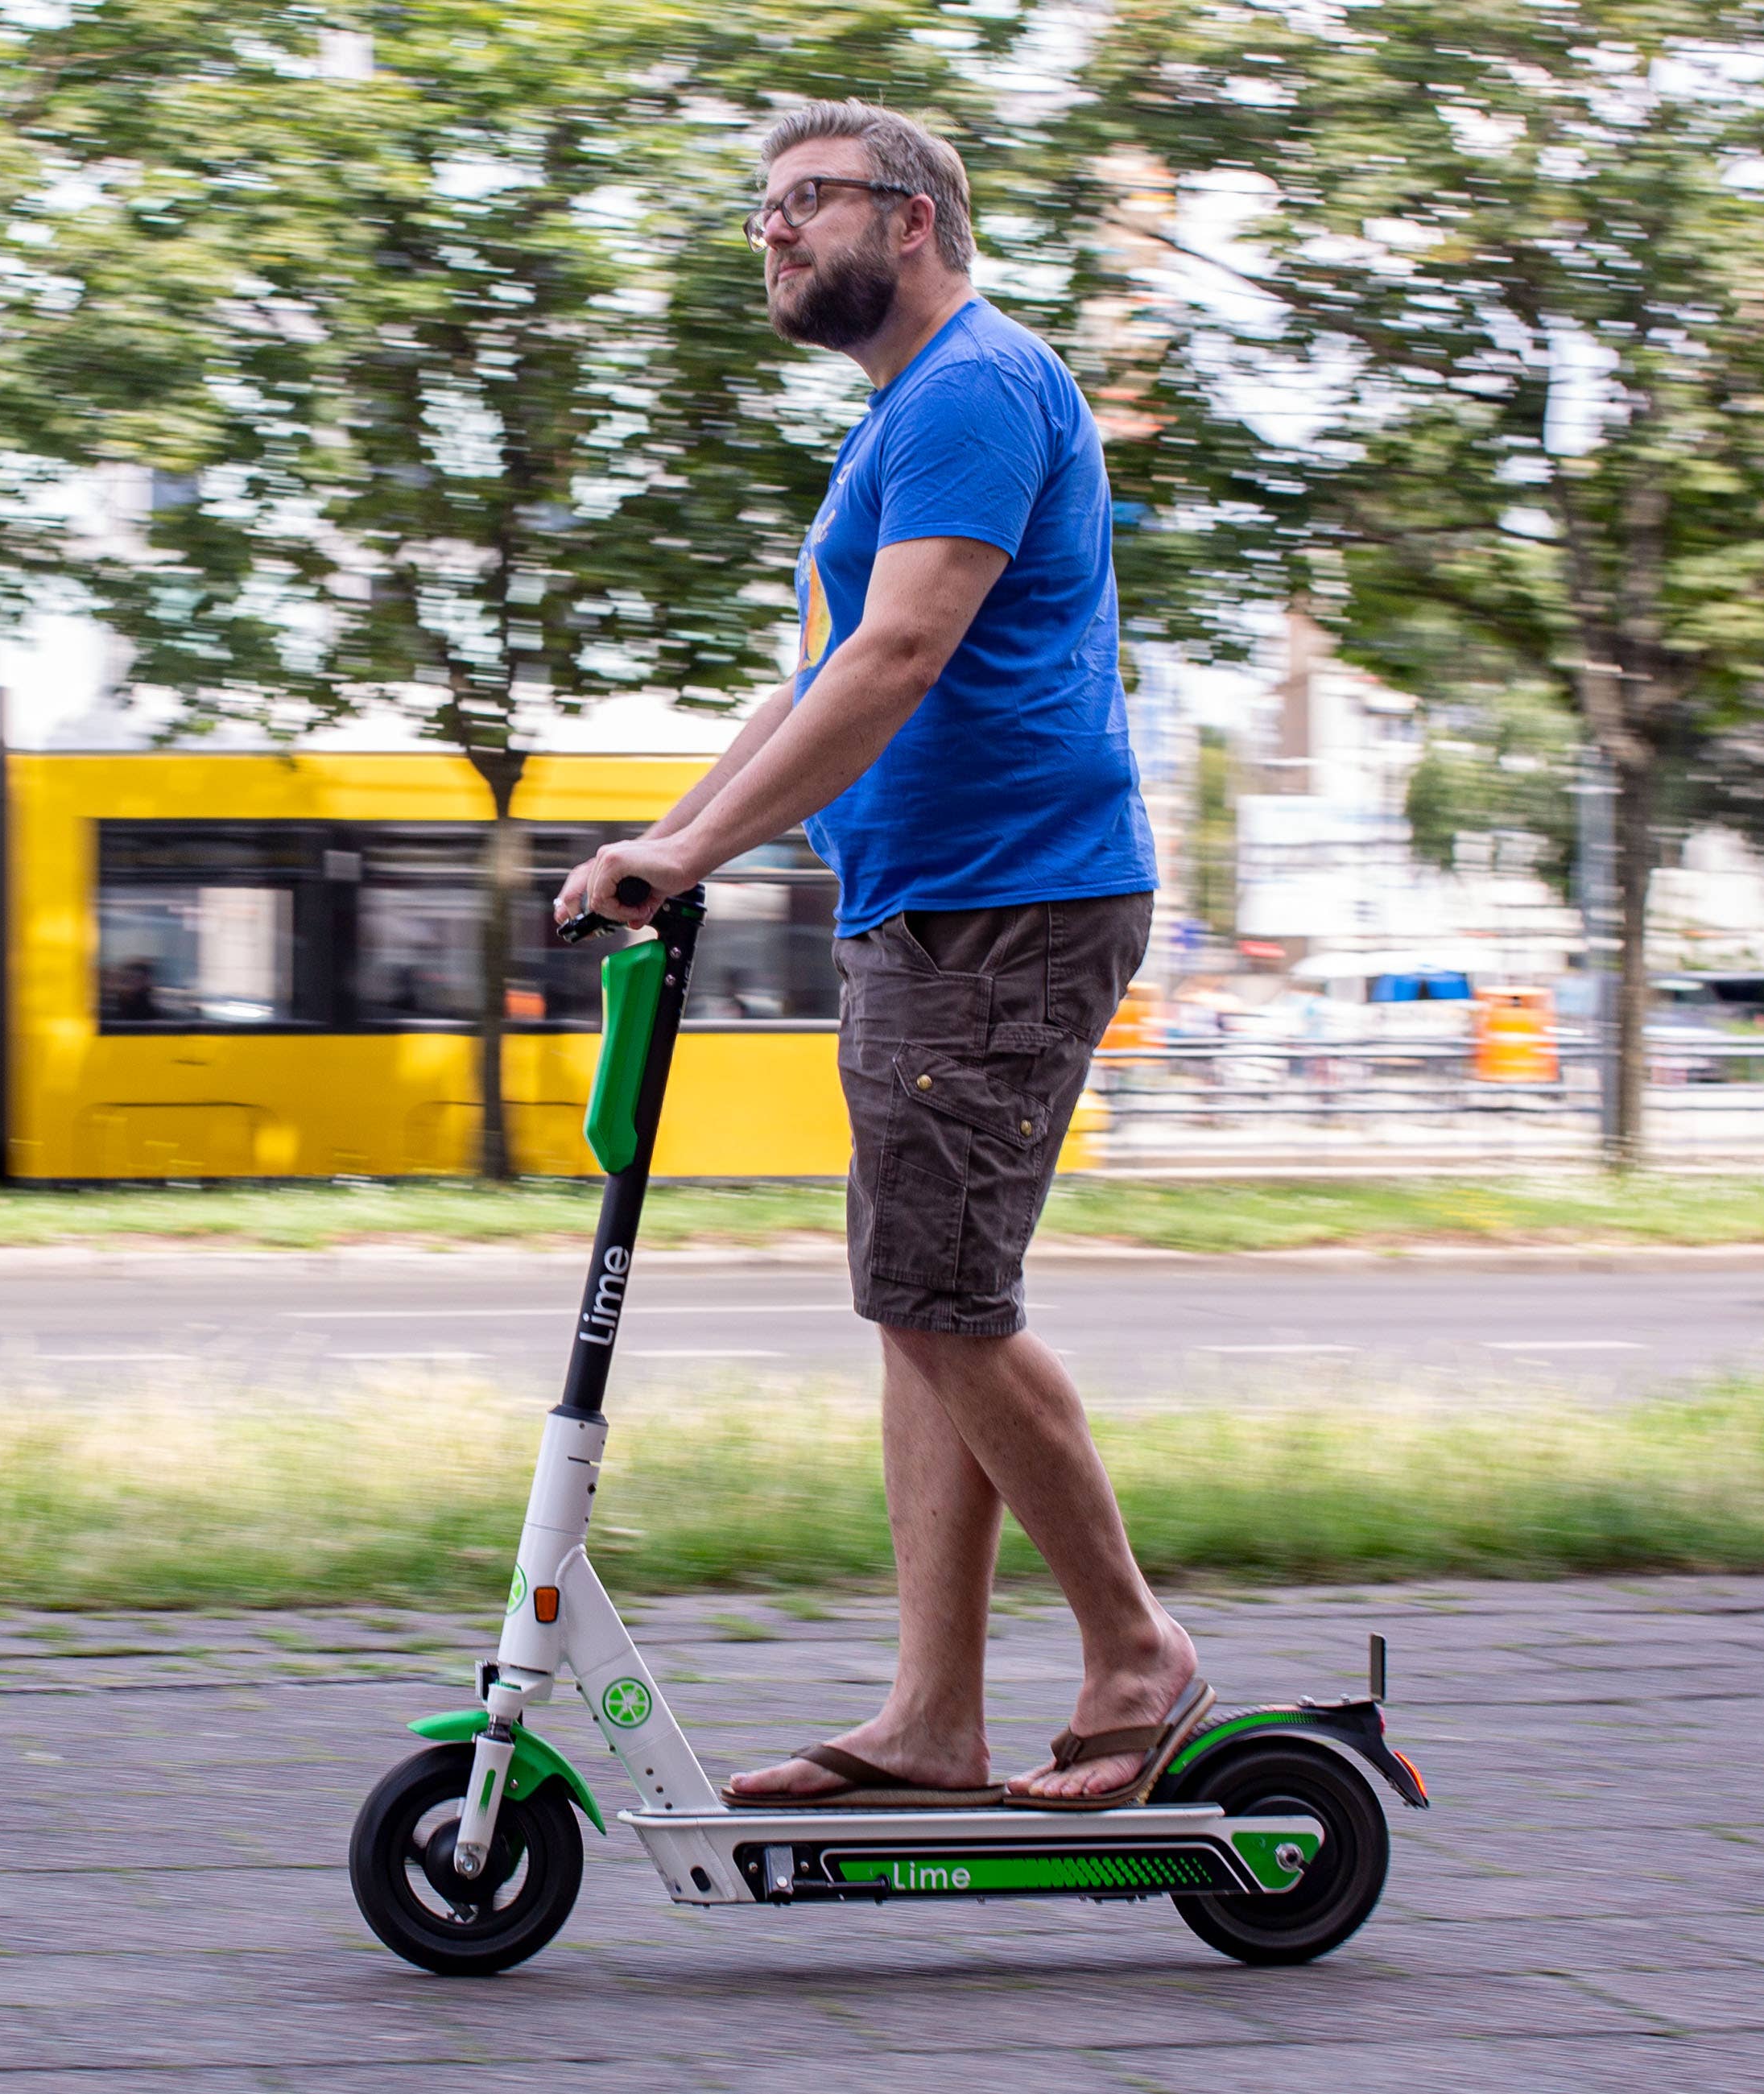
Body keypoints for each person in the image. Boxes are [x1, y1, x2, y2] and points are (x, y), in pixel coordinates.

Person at [552, 101, 1199, 1810]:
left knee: (938, 1297)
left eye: (807, 200)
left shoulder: (977, 386)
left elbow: (901, 653)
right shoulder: (905, 417)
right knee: (921, 1303)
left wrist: (694, 852)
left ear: (911, 219)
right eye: (761, 209)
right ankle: (930, 1716)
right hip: (932, 905)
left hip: (1005, 901)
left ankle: (1136, 1651)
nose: (772, 231)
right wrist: (664, 841)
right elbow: (819, 678)